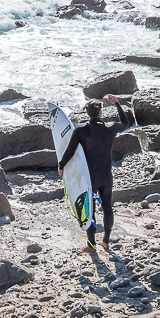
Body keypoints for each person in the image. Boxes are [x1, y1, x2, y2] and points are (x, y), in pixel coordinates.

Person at [58, 94, 135, 253]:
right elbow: (126, 123)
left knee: (90, 209)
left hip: (90, 177)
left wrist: (61, 165)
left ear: (87, 113)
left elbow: (70, 151)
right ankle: (106, 242)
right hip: (106, 175)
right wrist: (117, 104)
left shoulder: (81, 130)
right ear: (100, 113)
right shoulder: (110, 128)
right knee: (107, 207)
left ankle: (91, 245)